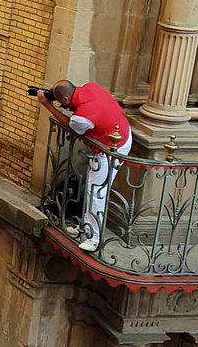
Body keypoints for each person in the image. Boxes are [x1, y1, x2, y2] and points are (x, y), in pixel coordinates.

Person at [37, 79, 132, 252]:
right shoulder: (90, 87)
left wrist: (47, 105)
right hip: (121, 132)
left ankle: (94, 238)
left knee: (96, 192)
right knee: (92, 188)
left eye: (60, 101)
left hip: (111, 149)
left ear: (65, 99)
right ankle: (86, 228)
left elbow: (72, 126)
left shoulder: (81, 117)